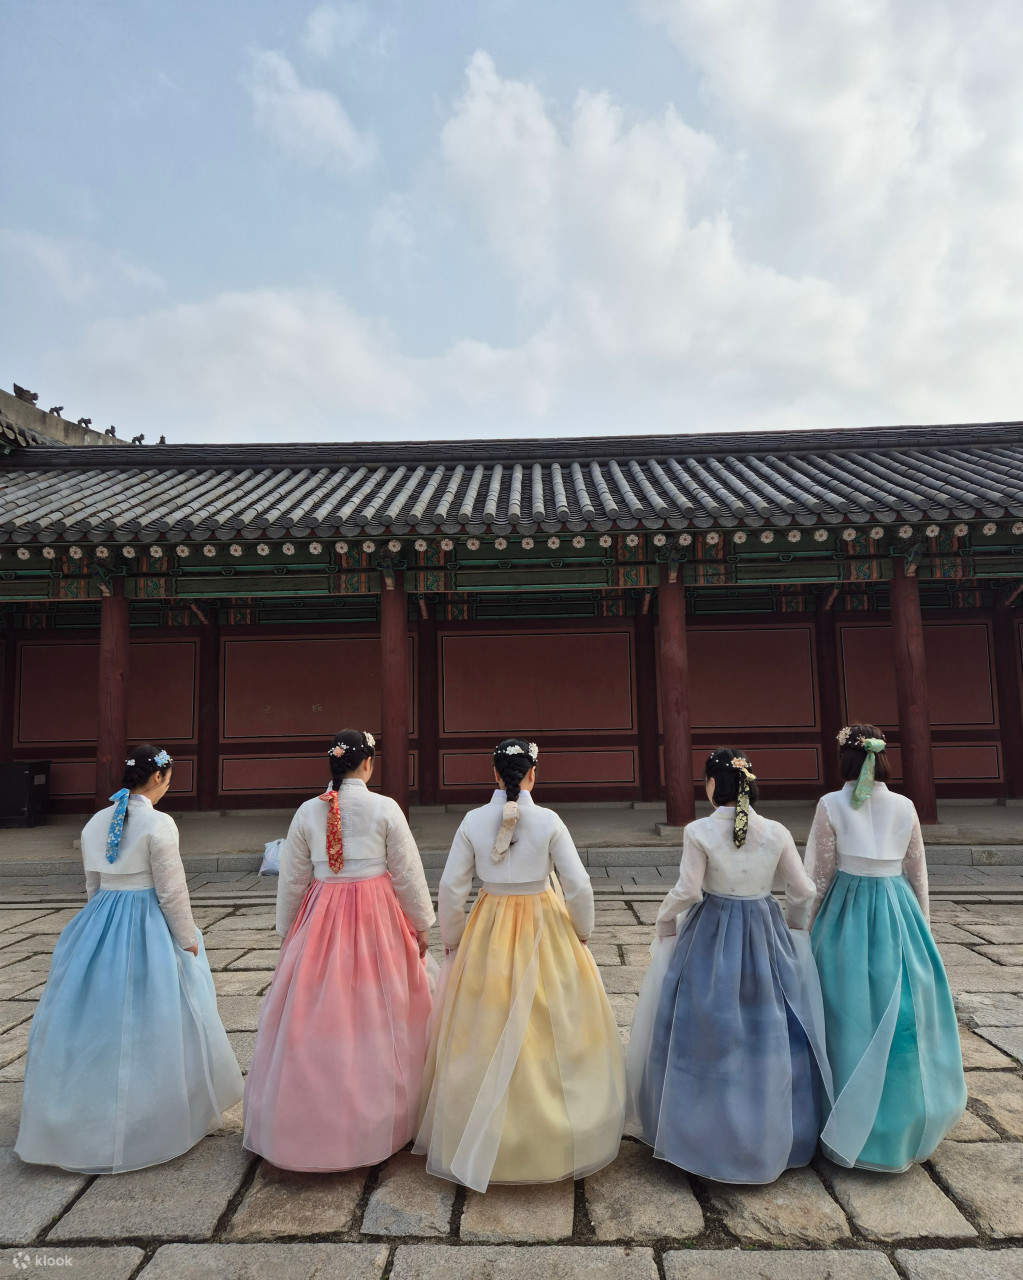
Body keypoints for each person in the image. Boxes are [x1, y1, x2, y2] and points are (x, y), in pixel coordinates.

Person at [16, 745, 242, 1173]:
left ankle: (84, 1110)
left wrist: (97, 928)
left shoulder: (96, 821)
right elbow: (171, 889)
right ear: (157, 778)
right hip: (146, 920)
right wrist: (185, 936)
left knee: (99, 1019)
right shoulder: (159, 823)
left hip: (101, 918)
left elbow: (92, 884)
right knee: (159, 1013)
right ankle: (159, 1113)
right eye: (168, 777)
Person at [414, 738, 624, 1192]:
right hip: (544, 922)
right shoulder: (549, 821)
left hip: (490, 922)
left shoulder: (472, 821)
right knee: (551, 1021)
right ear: (533, 774)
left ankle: (483, 1132)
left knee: (485, 1021)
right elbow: (579, 886)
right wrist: (581, 930)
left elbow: (452, 888)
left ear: (494, 775)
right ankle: (553, 1131)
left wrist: (452, 939)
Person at [627, 748, 832, 1184]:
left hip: (711, 934)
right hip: (763, 930)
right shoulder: (774, 831)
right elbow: (803, 890)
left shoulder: (699, 830)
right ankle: (766, 1135)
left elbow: (688, 890)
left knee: (705, 1029)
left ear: (711, 785)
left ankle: (700, 1134)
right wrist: (793, 930)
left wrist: (664, 921)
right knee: (768, 1032)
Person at [243, 729, 436, 1171]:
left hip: (323, 914)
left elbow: (292, 878)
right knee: (381, 1007)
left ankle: (313, 1115)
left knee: (320, 1011)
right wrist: (422, 924)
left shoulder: (307, 811)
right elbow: (406, 871)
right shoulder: (385, 808)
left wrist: (289, 928)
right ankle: (383, 1114)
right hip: (377, 913)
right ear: (367, 764)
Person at [797, 724, 966, 1171]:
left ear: (844, 760)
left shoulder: (830, 804)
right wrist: (923, 930)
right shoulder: (906, 806)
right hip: (897, 911)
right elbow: (918, 873)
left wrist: (801, 932)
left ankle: (842, 1120)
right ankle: (902, 1123)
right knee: (906, 1017)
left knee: (844, 1012)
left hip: (846, 913)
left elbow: (817, 874)